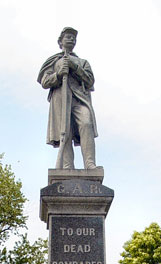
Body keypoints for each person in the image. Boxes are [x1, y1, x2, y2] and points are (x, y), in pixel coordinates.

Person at [37, 27, 98, 170]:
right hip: (60, 99)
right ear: (60, 41)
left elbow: (90, 81)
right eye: (68, 36)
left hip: (80, 99)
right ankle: (67, 166)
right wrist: (58, 75)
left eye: (73, 37)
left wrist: (74, 67)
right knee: (65, 131)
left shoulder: (83, 62)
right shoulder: (53, 61)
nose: (71, 39)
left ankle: (90, 163)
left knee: (86, 123)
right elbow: (45, 82)